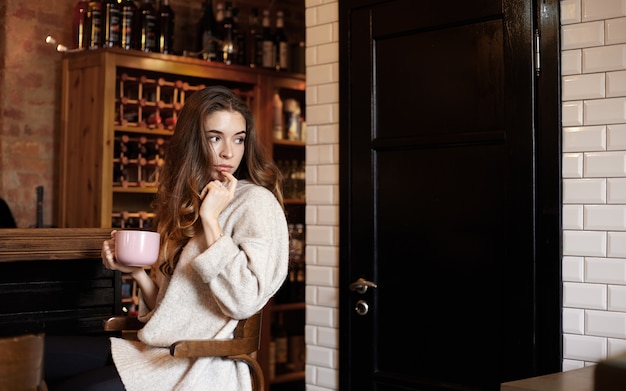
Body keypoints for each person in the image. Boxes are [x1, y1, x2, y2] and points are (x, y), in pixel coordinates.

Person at [46, 85, 289, 390]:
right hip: (156, 352)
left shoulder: (255, 202)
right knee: (31, 353)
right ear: (192, 142)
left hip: (199, 364)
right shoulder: (185, 201)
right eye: (215, 137)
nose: (229, 151)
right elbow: (170, 311)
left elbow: (245, 300)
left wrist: (211, 221)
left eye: (238, 139)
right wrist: (135, 272)